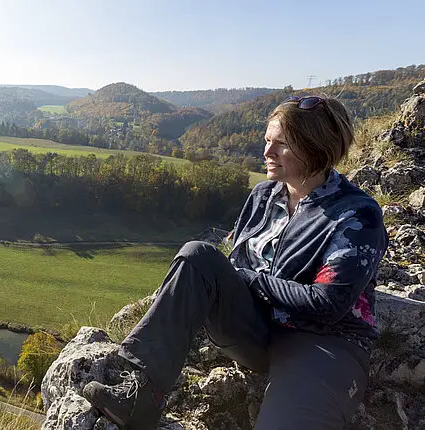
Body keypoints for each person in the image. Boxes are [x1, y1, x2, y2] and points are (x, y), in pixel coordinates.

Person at [82, 96, 388, 429]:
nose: (267, 153)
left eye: (281, 144)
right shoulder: (264, 195)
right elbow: (231, 266)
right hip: (256, 329)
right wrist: (236, 281)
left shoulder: (356, 214)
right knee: (197, 254)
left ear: (316, 148)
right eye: (267, 141)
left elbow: (329, 304)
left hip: (323, 341)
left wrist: (251, 280)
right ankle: (141, 395)